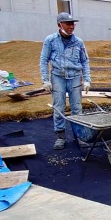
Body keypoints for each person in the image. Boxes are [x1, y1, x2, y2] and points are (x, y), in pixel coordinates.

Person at [39, 12, 91, 150]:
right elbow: (44, 60)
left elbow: (85, 61)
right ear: (59, 25)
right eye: (68, 24)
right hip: (58, 77)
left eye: (72, 24)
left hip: (75, 77)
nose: (71, 26)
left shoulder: (78, 42)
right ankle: (60, 137)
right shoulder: (50, 40)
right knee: (59, 107)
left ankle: (79, 136)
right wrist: (45, 80)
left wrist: (87, 80)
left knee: (77, 108)